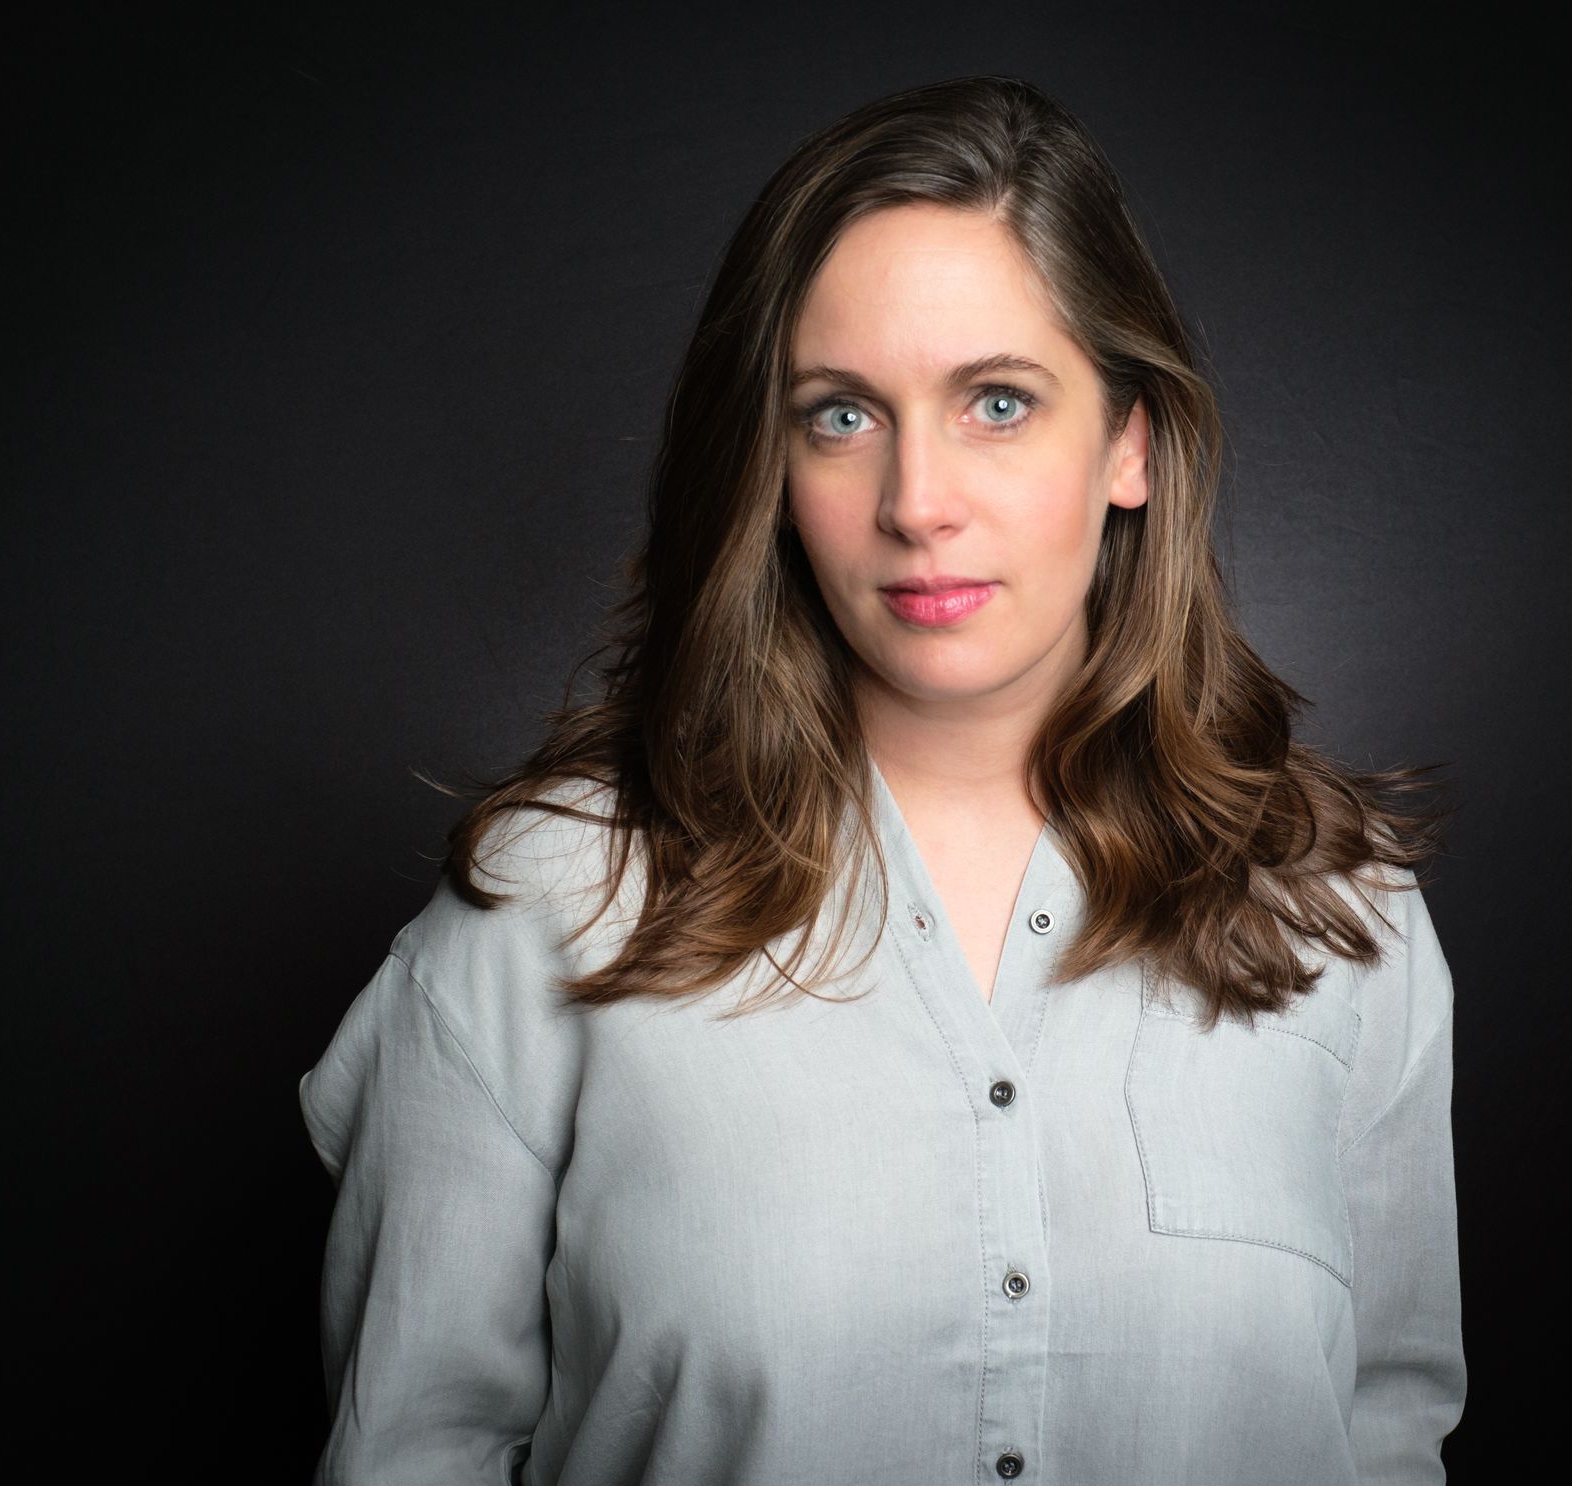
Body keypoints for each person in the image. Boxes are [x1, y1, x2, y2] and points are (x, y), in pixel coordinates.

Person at [299, 74, 1464, 1486]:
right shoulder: (553, 904)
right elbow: (411, 1453)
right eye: (842, 416)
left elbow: (1390, 1436)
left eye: (997, 401)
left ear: (1132, 443)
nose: (918, 502)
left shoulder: (1344, 915)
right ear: (770, 464)